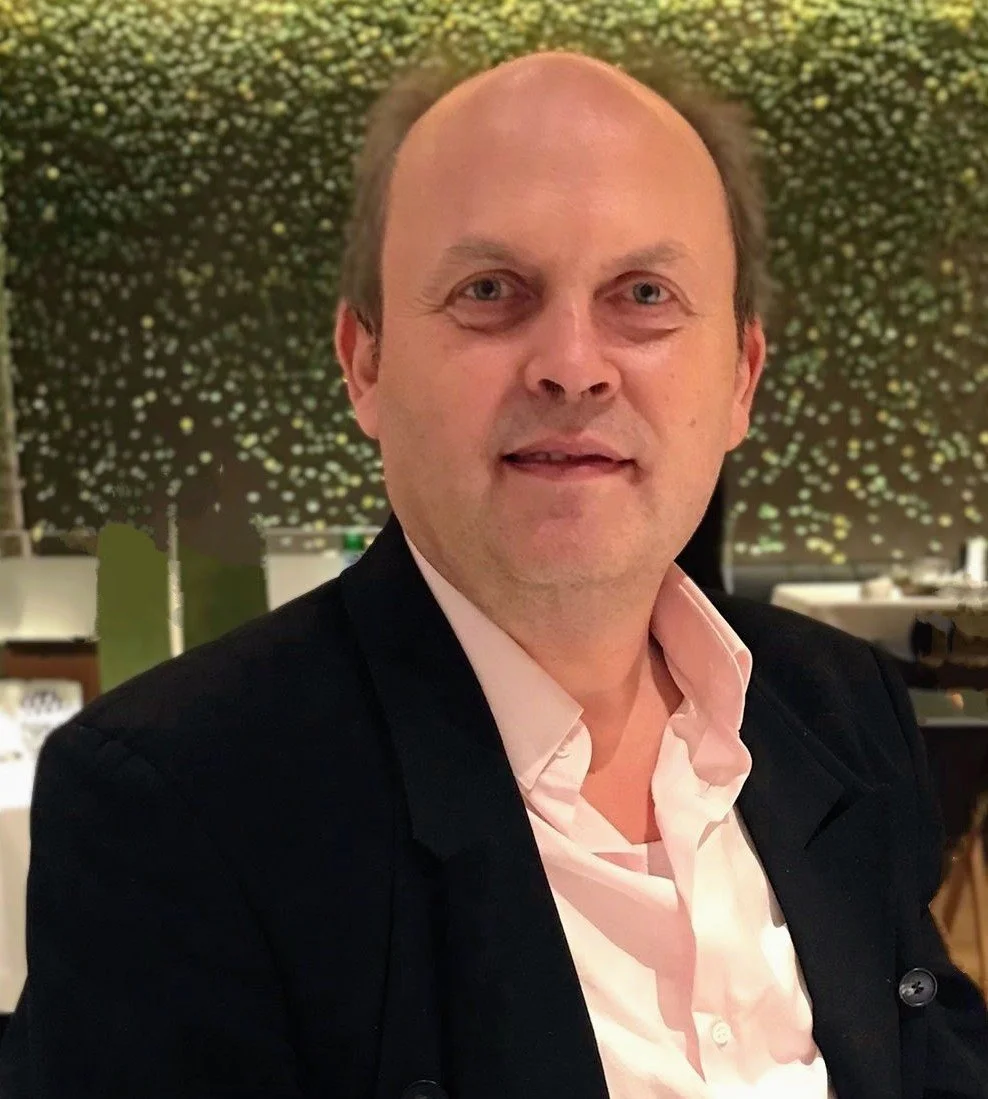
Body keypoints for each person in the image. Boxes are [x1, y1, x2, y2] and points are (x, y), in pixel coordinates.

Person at [1, 48, 986, 1099]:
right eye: (489, 292)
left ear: (741, 376)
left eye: (643, 293)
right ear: (364, 364)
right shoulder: (177, 805)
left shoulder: (839, 710)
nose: (572, 361)